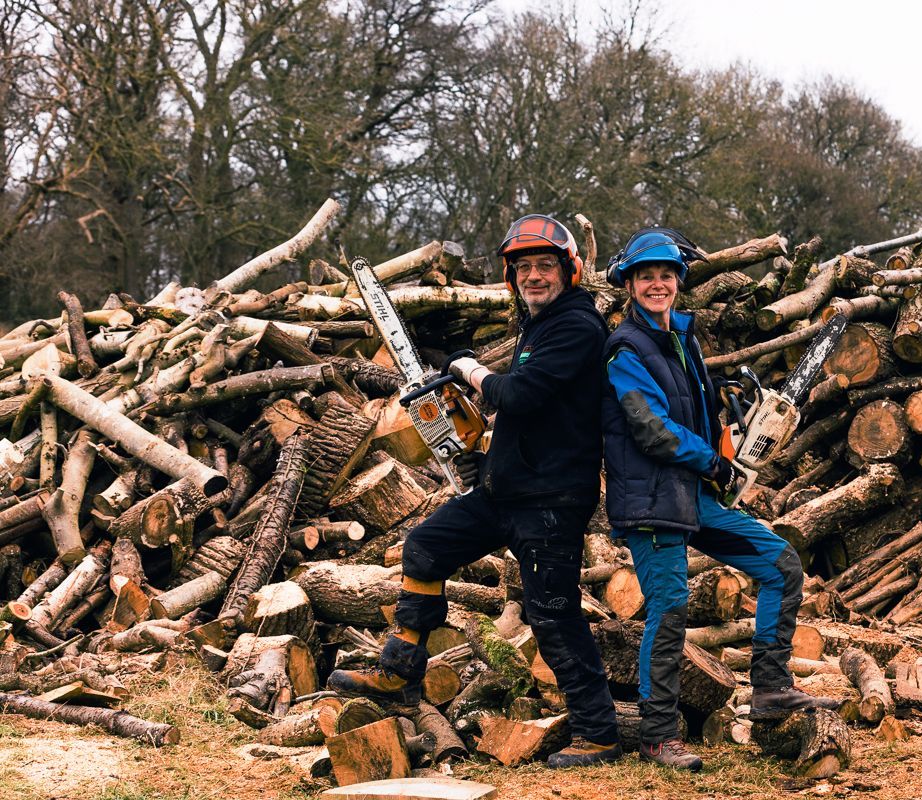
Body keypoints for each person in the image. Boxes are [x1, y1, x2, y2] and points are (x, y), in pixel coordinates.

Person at [329, 214, 621, 768]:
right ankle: (400, 669)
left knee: (552, 613)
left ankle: (599, 733)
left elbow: (523, 396)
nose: (534, 276)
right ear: (511, 276)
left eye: (544, 266)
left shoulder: (577, 325)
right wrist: (484, 452)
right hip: (506, 491)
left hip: (551, 502)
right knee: (426, 548)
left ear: (570, 270)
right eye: (524, 268)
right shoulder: (540, 324)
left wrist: (468, 372)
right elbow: (534, 415)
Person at [601, 228, 840, 772]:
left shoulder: (682, 338)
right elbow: (650, 428)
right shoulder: (624, 348)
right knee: (670, 607)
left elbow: (694, 417)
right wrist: (712, 461)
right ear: (630, 284)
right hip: (651, 501)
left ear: (678, 282)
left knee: (780, 563)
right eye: (646, 276)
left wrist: (727, 425)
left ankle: (771, 689)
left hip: (690, 495)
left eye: (665, 275)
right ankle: (658, 734)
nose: (657, 284)